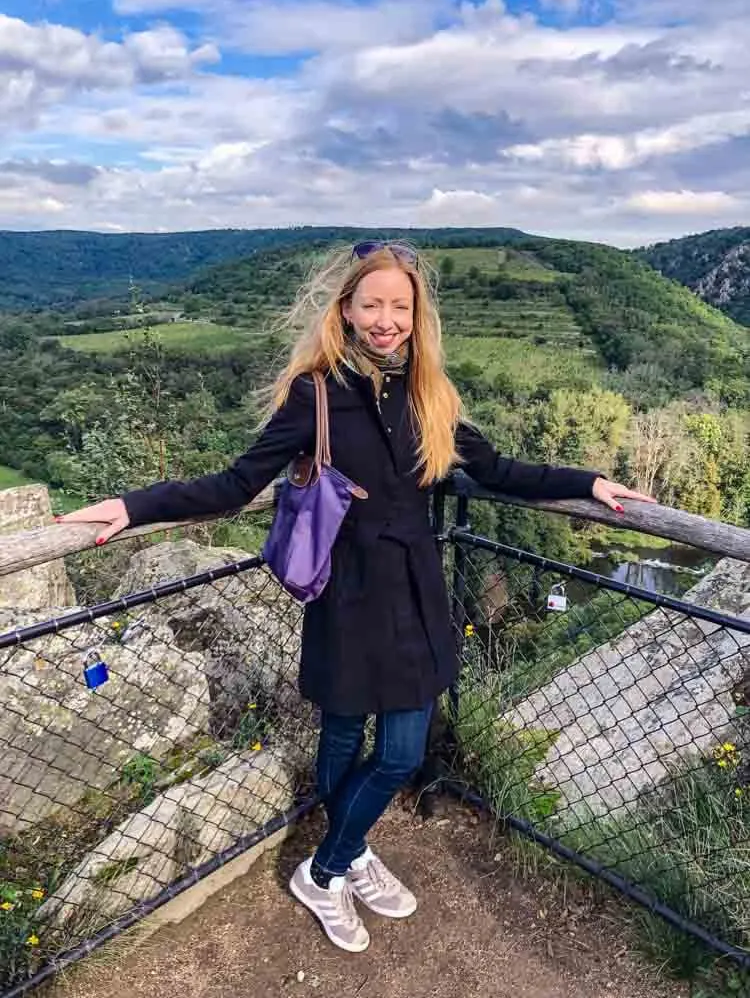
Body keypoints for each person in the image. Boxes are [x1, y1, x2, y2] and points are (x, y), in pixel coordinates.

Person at [57, 240, 655, 953]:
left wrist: (588, 481)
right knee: (343, 733)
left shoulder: (429, 393)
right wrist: (134, 504)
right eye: (372, 304)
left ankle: (328, 864)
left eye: (399, 306)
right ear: (345, 309)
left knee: (400, 751)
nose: (386, 319)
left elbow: (497, 470)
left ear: (416, 315)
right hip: (346, 594)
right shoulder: (314, 393)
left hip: (416, 592)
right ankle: (350, 853)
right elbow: (235, 484)